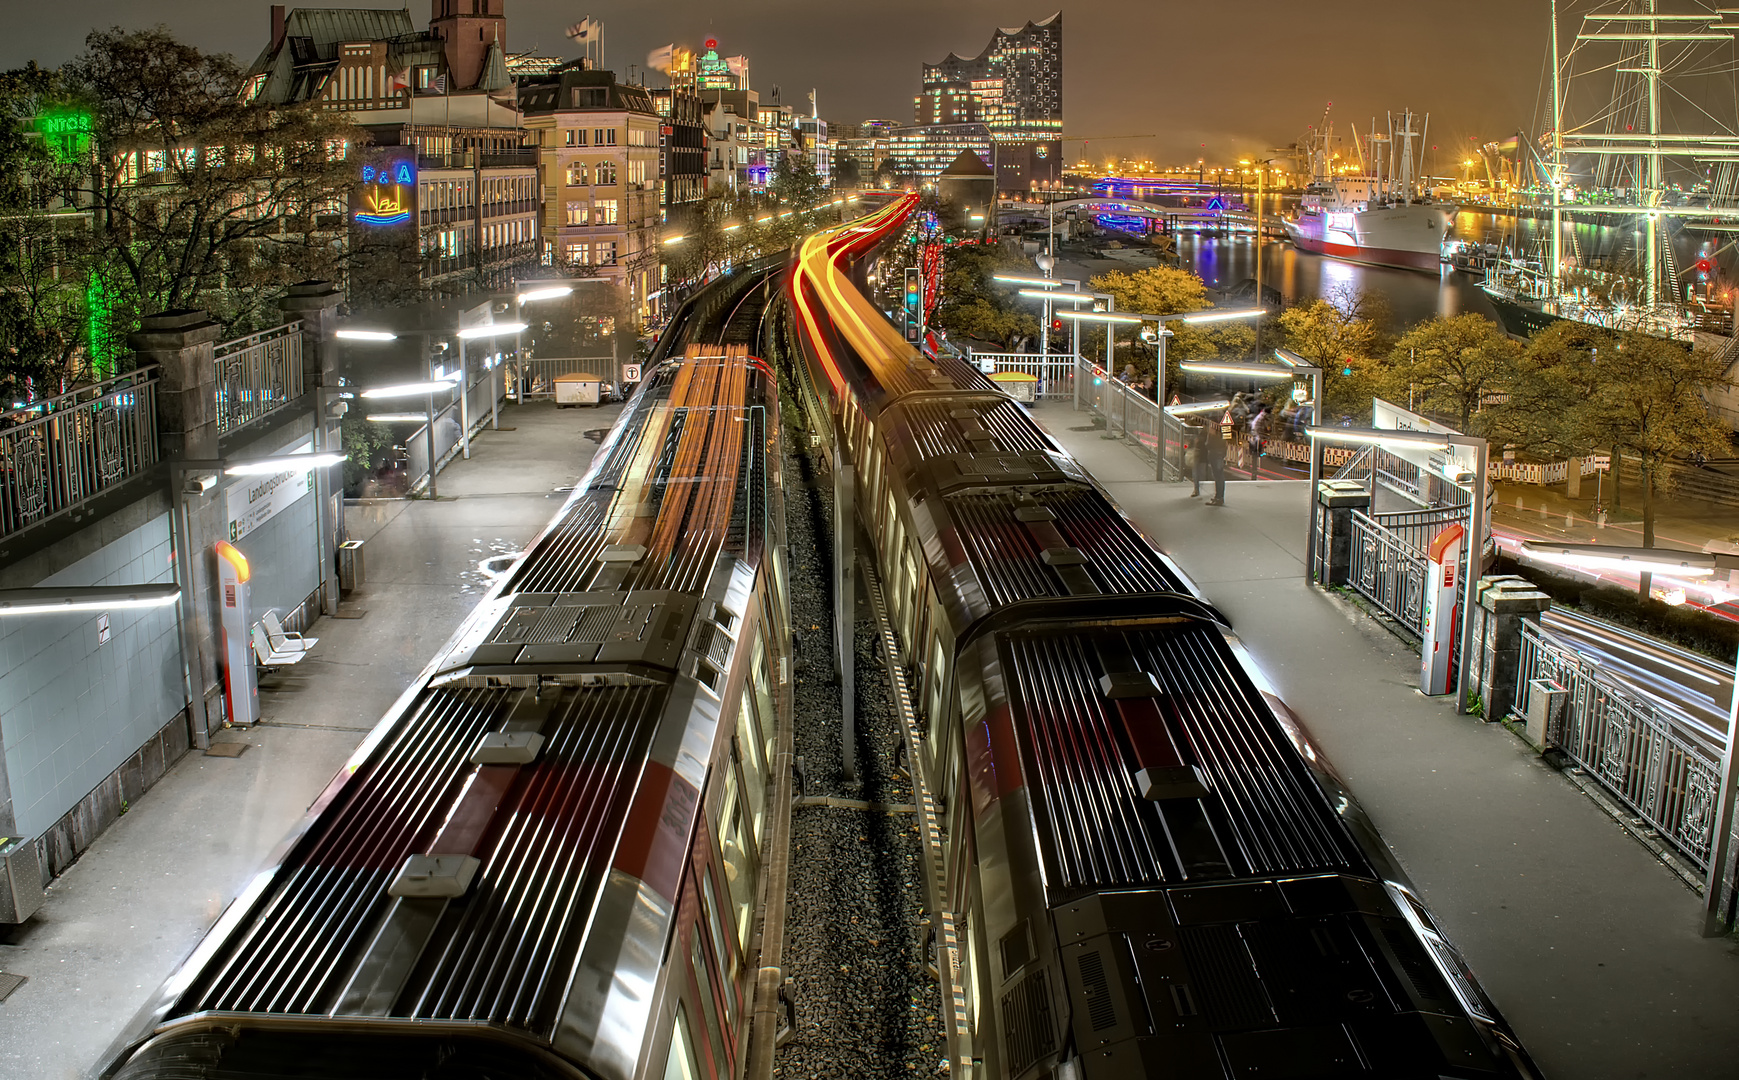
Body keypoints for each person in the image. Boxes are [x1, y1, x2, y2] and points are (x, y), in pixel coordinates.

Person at [1195, 410, 1228, 505]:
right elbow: (1226, 441)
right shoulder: (1224, 427)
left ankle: (1219, 498)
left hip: (1215, 452)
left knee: (1218, 475)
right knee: (1219, 475)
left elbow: (1212, 438)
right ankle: (1219, 497)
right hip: (1219, 451)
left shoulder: (1214, 427)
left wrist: (1207, 444)